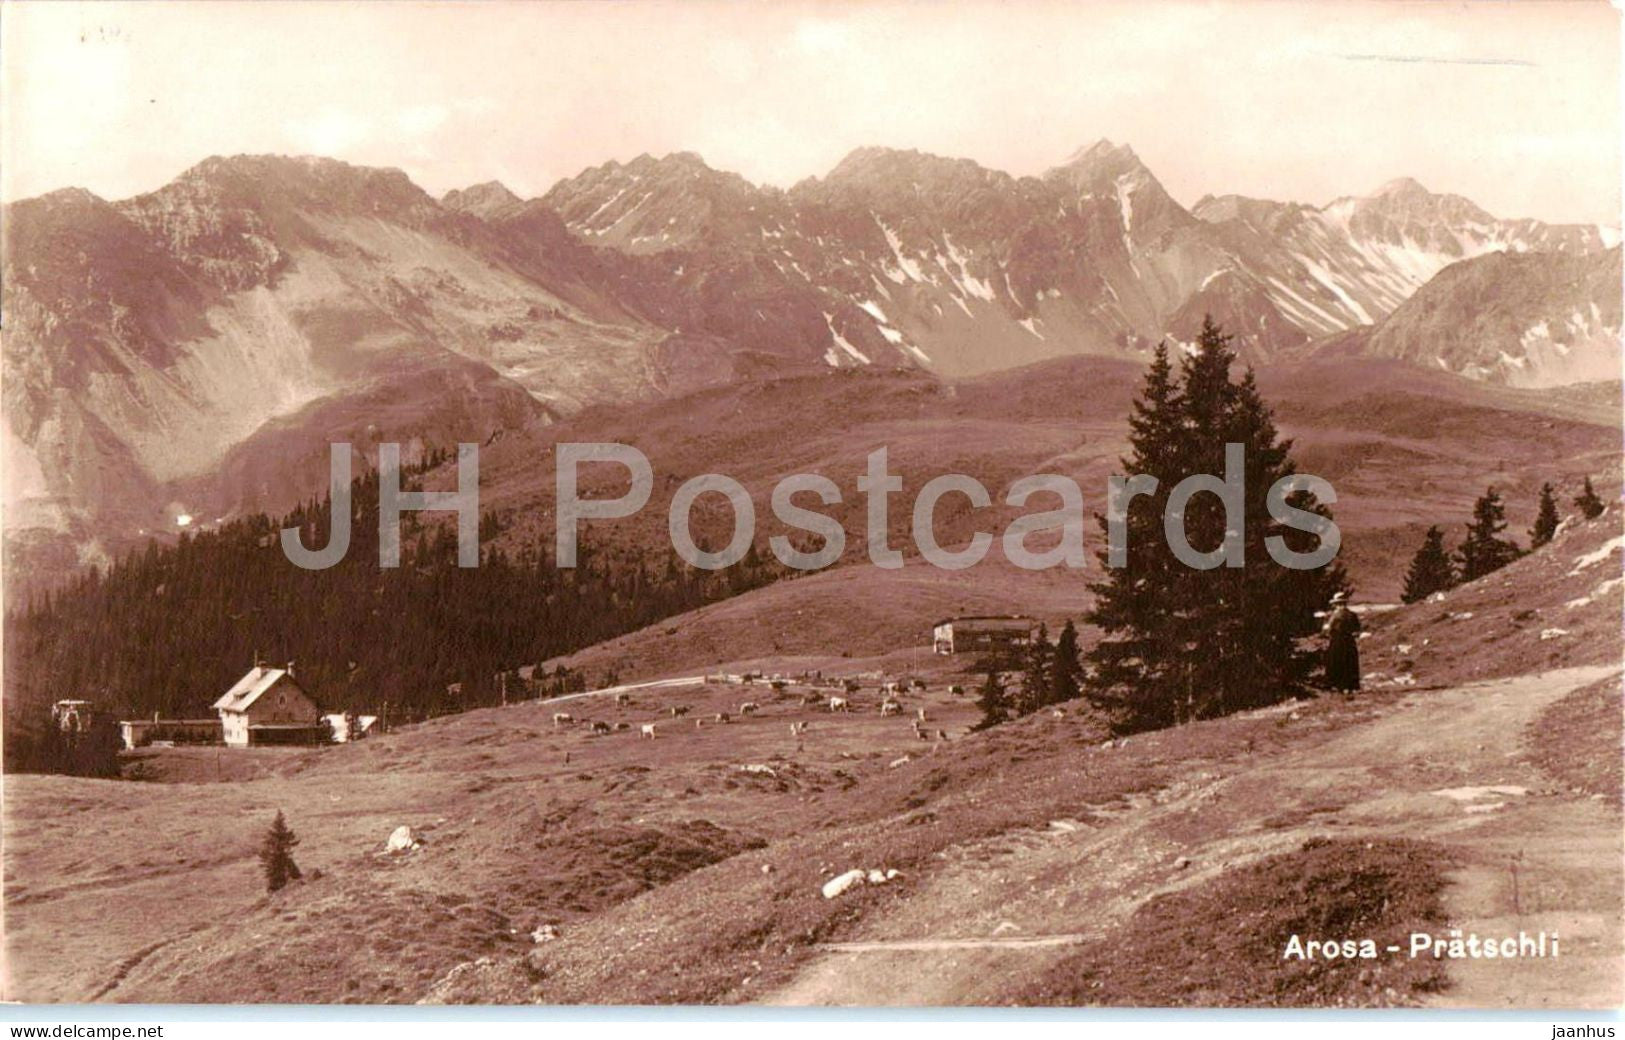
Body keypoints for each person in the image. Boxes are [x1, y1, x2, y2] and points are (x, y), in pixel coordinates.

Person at [1323, 591, 1362, 692]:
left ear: (1336, 604)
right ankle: (1350, 686)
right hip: (1349, 641)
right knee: (1349, 663)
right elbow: (1357, 630)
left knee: (1336, 662)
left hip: (1337, 641)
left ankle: (1337, 685)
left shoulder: (1334, 616)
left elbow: (1328, 629)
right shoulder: (1352, 615)